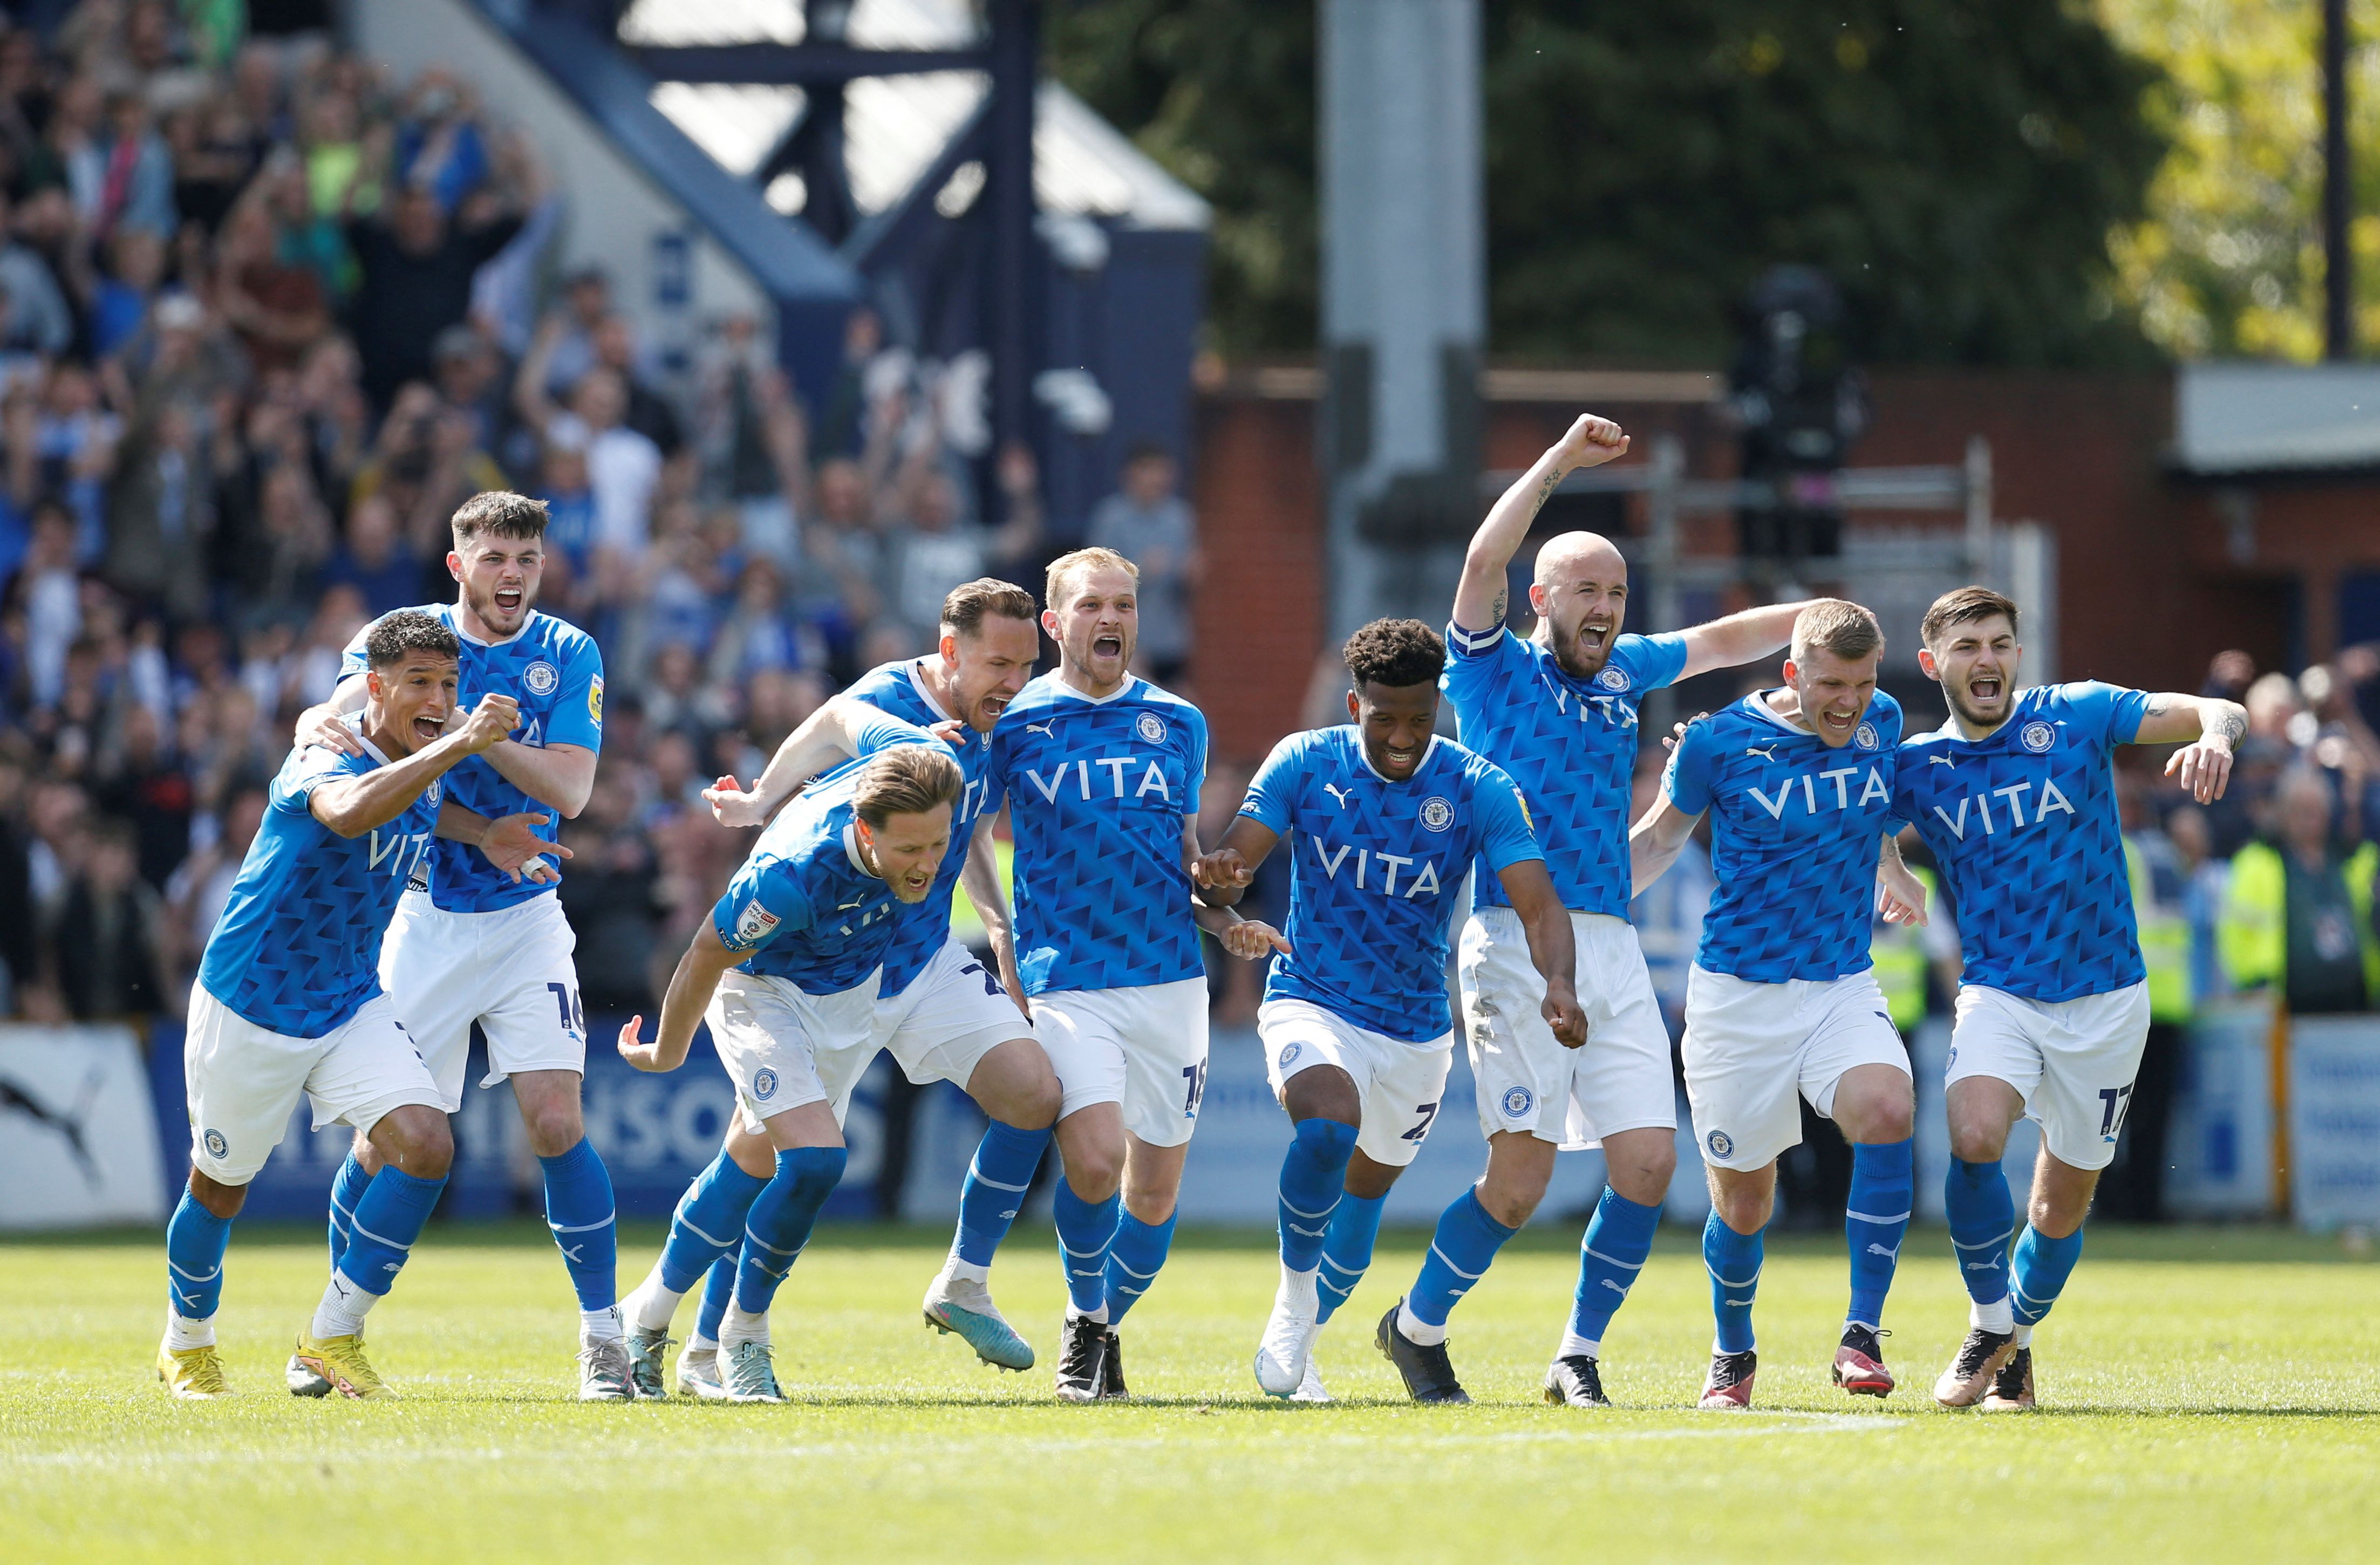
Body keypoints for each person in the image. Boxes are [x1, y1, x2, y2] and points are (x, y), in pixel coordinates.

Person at [1437, 412, 1813, 1409]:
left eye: (1615, 591)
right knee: (1517, 1187)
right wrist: (1559, 462)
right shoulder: (1490, 669)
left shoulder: (1620, 676)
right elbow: (1481, 554)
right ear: (1541, 597)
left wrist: (1810, 616)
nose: (1604, 607)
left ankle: (1575, 1354)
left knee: (1648, 1163)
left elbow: (1716, 641)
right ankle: (1419, 1325)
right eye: (1585, 590)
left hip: (1611, 944)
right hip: (1512, 940)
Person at [623, 579, 1063, 1398]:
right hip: (790, 984)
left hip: (912, 954)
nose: (1013, 680)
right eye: (998, 663)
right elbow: (832, 722)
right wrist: (759, 801)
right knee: (773, 1160)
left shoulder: (991, 732)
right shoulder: (864, 756)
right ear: (949, 654)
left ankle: (961, 1282)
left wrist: (999, 928)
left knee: (1033, 1093)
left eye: (1025, 665)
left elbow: (955, 831)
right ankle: (679, 1331)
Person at [159, 610, 553, 1400]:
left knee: (426, 1144)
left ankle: (331, 1337)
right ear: (373, 687)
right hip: (254, 1001)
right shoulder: (321, 751)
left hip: (347, 998)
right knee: (219, 1187)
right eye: (419, 682)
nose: (439, 697)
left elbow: (416, 804)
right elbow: (347, 813)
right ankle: (186, 1343)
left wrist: (481, 833)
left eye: (448, 683)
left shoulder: (421, 753)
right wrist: (458, 742)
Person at [291, 492, 626, 1400]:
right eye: (494, 557)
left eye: (526, 557)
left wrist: (489, 732)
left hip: (527, 919)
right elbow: (342, 739)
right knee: (384, 1143)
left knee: (557, 1121)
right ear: (458, 565)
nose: (512, 574)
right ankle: (332, 1333)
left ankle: (604, 1341)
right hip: (423, 919)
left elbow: (573, 789)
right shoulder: (402, 642)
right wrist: (478, 816)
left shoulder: (568, 653)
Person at [1195, 619, 1580, 1405]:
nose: (1402, 737)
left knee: (1364, 1197)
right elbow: (1236, 861)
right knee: (1327, 1126)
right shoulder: (1305, 760)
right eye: (1384, 719)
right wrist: (1225, 877)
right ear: (1352, 704)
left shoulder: (1476, 785)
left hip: (1413, 1030)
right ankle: (1291, 1302)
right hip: (1312, 997)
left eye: (1417, 718)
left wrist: (1559, 983)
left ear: (1436, 704)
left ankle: (1309, 1326)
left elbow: (1538, 904)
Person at [1894, 586, 2243, 1413]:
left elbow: (2216, 708)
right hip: (1998, 993)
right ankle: (1988, 1325)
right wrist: (1885, 862)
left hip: (2105, 1002)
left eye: (1999, 643)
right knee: (1973, 1133)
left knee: (2055, 1208)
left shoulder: (2076, 714)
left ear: (2017, 652)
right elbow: (1845, 804)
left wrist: (2216, 739)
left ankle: (2012, 1339)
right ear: (1931, 662)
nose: (1986, 660)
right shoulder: (1913, 765)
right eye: (1967, 646)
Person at [1631, 600, 1925, 1410]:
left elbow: (1871, 806)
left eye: (1862, 685)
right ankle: (1732, 1350)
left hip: (1837, 982)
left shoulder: (1882, 719)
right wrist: (1563, 914)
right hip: (1733, 999)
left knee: (1887, 1106)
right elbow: (1658, 839)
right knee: (1746, 1199)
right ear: (1792, 675)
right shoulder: (1718, 741)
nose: (1849, 704)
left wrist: (1890, 863)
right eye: (1831, 685)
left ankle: (1861, 1335)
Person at [982, 546, 1233, 1401]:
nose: (1111, 620)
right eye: (1092, 606)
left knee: (1153, 1195)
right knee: (1093, 1162)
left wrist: (1225, 916)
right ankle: (1086, 1323)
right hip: (1067, 977)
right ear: (1054, 623)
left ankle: (1098, 1325)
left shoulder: (1179, 722)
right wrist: (1001, 937)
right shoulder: (1013, 725)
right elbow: (975, 838)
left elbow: (1184, 859)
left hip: (1169, 977)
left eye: (1124, 605)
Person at [2218, 766, 2380, 1015]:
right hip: (2286, 1006)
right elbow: (2235, 932)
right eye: (2302, 812)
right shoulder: (2257, 862)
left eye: (2317, 812)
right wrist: (2253, 981)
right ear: (2283, 813)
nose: (2311, 821)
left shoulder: (2354, 860)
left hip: (2354, 1005)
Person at [1087, 443, 1198, 686]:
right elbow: (1095, 580)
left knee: (1177, 703)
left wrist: (1191, 573)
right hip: (1126, 636)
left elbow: (1189, 580)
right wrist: (1142, 571)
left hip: (1171, 636)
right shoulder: (1111, 518)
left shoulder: (1180, 518)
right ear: (1130, 476)